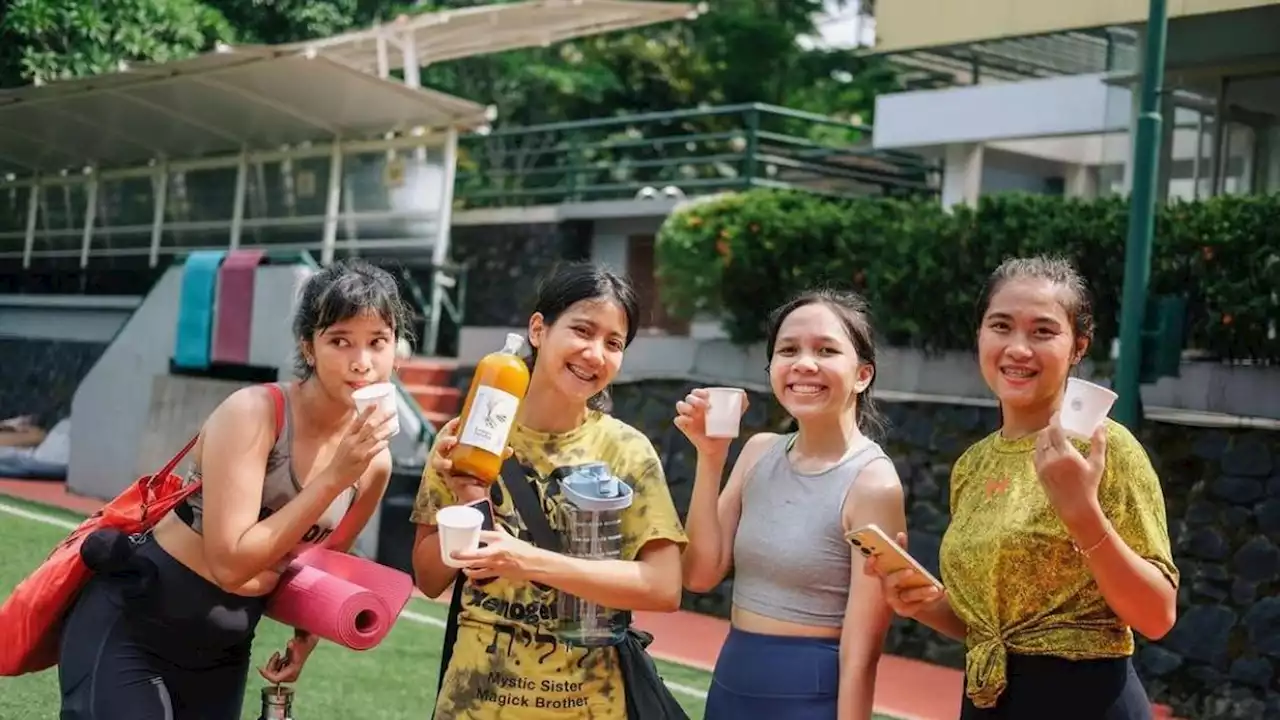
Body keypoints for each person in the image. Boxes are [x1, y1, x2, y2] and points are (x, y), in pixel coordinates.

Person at [57, 258, 406, 719]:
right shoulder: (256, 414)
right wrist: (333, 478)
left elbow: (323, 562)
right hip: (136, 625)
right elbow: (230, 562)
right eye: (339, 341)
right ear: (308, 346)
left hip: (224, 652)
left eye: (377, 342)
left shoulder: (374, 464)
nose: (362, 362)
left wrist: (307, 633)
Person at [865, 256, 1179, 719]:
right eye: (1001, 326)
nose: (1018, 348)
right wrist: (926, 605)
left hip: (1086, 705)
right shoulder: (973, 464)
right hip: (988, 703)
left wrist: (1082, 514)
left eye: (1043, 331)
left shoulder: (1105, 448)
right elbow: (999, 629)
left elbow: (1157, 616)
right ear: (980, 336)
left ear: (1079, 346)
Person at [410, 262, 688, 719]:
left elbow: (662, 587)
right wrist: (468, 495)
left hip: (590, 705)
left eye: (613, 343)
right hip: (475, 703)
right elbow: (430, 578)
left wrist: (527, 559)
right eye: (582, 330)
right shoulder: (468, 434)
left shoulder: (627, 451)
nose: (595, 353)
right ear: (538, 329)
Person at [676, 289, 907, 720]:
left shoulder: (874, 482)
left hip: (807, 700)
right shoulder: (757, 452)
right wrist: (710, 459)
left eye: (826, 350)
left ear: (862, 374)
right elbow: (698, 575)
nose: (803, 363)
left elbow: (861, 655)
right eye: (788, 350)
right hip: (729, 683)